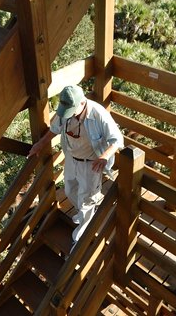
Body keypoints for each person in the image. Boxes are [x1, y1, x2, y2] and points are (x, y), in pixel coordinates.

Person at [28, 85, 123, 246]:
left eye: (71, 111)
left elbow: (117, 140)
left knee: (86, 200)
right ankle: (84, 212)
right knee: (69, 189)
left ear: (82, 103)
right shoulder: (65, 110)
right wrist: (40, 144)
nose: (67, 115)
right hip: (72, 159)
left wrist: (104, 157)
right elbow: (54, 129)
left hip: (91, 164)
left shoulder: (98, 114)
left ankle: (80, 236)